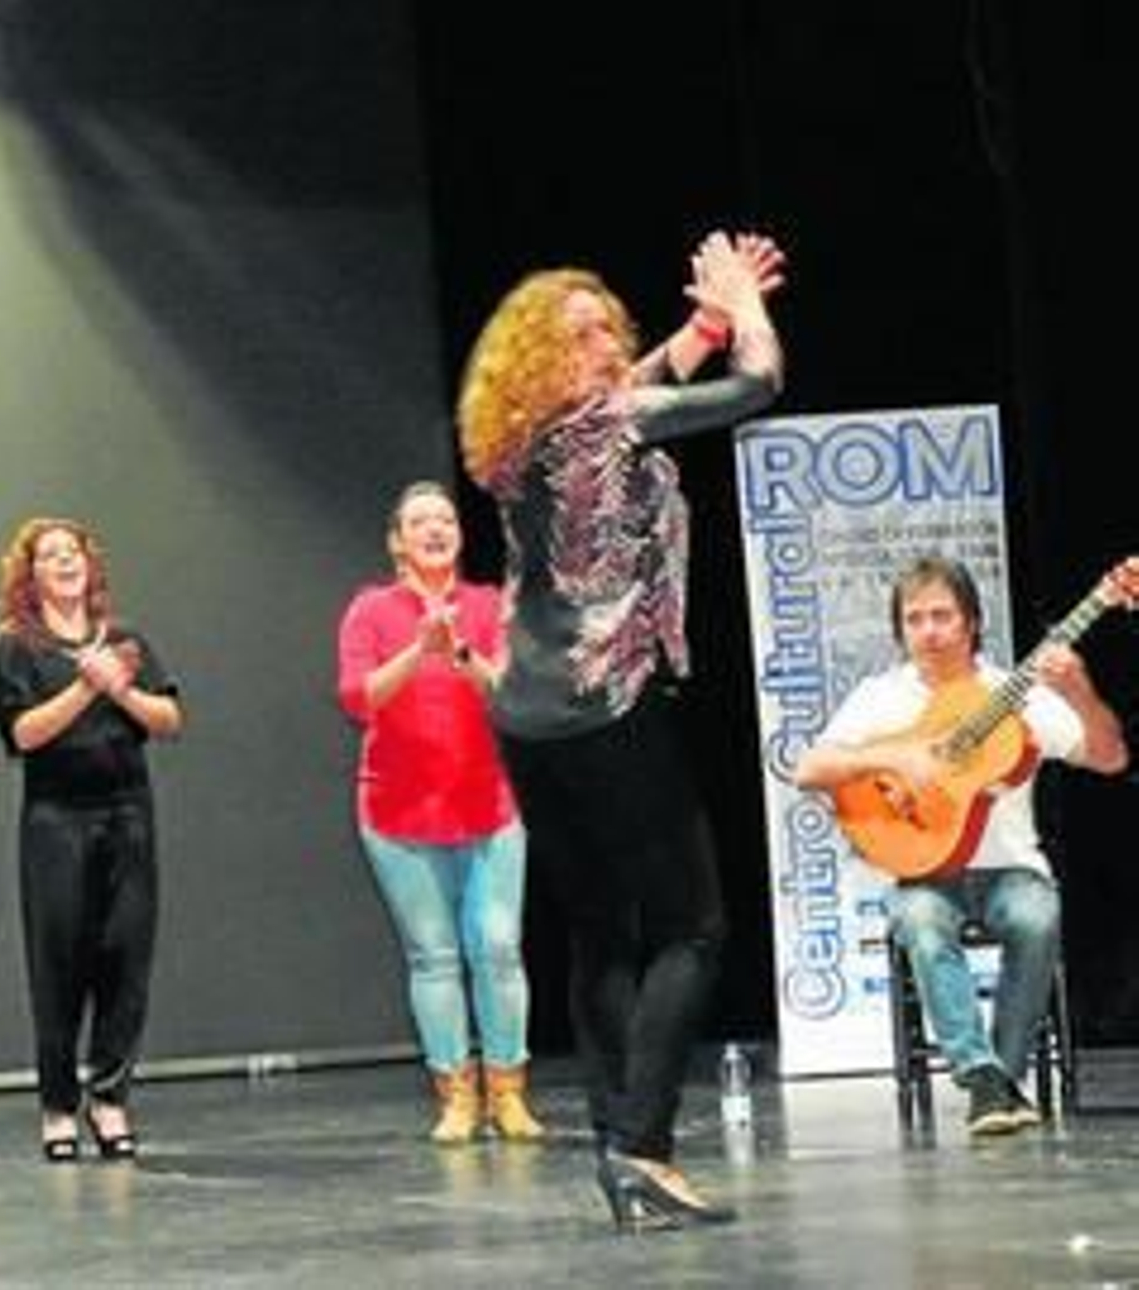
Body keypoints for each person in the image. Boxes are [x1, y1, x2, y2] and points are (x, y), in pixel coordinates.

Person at [456, 230, 784, 1231]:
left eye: (608, 326)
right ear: (542, 359)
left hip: (525, 716)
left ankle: (614, 1139)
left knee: (602, 928)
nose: (604, 342)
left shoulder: (515, 442)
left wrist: (696, 326)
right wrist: (743, 313)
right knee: (693, 926)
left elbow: (635, 392)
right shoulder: (610, 420)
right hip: (604, 708)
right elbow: (754, 387)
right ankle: (641, 1146)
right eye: (581, 332)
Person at [793, 553, 1133, 1136]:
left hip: (1011, 870)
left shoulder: (1012, 693)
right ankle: (984, 1081)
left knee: (1035, 915)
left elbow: (1111, 757)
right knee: (922, 921)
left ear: (971, 622)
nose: (928, 630)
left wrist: (1078, 690)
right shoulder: (882, 697)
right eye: (914, 618)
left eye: (942, 616)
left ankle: (1001, 1076)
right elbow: (810, 769)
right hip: (923, 871)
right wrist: (895, 755)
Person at [337, 480, 543, 1145]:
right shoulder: (370, 610)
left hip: (488, 805)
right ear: (398, 541)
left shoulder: (487, 605)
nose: (435, 529)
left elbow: (510, 696)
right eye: (419, 521)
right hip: (398, 810)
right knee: (433, 955)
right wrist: (417, 649)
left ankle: (508, 1091)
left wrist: (457, 652)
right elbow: (358, 698)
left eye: (445, 519)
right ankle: (455, 1093)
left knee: (498, 946)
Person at [0, 517, 182, 1163]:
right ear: (31, 574)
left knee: (125, 958)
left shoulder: (126, 640)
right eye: (51, 556)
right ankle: (58, 1108)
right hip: (56, 820)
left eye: (73, 553)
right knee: (59, 963)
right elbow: (24, 735)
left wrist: (120, 686)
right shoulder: (18, 646)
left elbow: (169, 719)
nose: (66, 563)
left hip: (128, 813)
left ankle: (110, 1097)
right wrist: (85, 687)